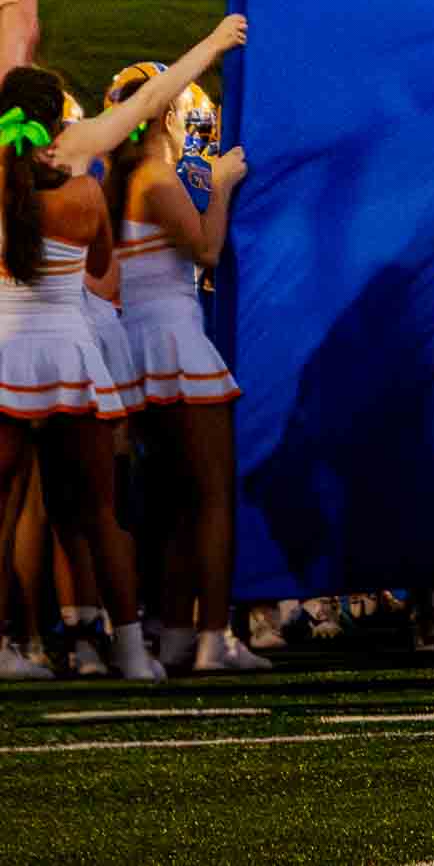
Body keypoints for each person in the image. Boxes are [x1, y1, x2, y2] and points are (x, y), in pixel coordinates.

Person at [0, 65, 164, 682]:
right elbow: (100, 266)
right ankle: (129, 652)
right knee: (100, 514)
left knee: (6, 510)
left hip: (7, 354)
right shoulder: (87, 194)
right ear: (57, 123)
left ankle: (9, 649)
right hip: (71, 354)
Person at [102, 57, 262, 672]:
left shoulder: (117, 180)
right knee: (214, 495)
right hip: (174, 343)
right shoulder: (155, 178)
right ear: (166, 113)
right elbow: (205, 248)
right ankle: (213, 636)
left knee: (170, 498)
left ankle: (173, 630)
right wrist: (219, 186)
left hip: (137, 348)